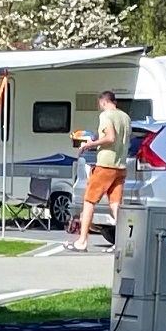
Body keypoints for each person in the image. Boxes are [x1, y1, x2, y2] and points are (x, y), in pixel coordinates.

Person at [68, 90, 131, 252]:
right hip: (120, 166)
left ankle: (82, 241)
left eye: (100, 105)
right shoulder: (125, 117)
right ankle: (123, 242)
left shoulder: (106, 116)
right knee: (115, 204)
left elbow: (110, 137)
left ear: (103, 102)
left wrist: (89, 145)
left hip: (105, 165)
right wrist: (95, 137)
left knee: (89, 201)